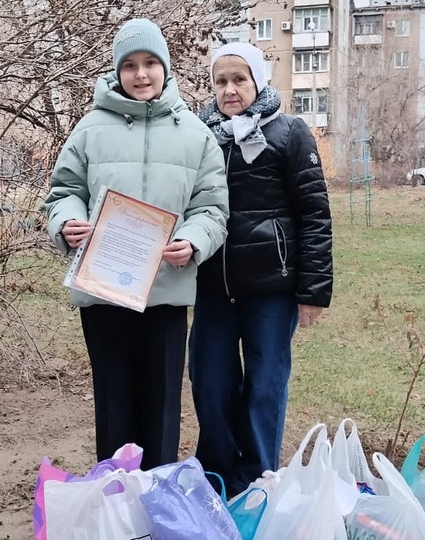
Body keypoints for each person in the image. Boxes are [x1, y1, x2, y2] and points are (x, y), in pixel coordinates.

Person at [42, 19, 229, 470]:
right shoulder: (89, 129)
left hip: (164, 292)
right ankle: (116, 497)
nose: (141, 74)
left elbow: (213, 210)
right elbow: (64, 191)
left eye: (150, 63)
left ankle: (155, 495)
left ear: (165, 67)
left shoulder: (195, 134)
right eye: (130, 65)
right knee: (113, 400)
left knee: (162, 403)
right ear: (116, 71)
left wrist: (193, 241)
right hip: (103, 289)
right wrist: (68, 222)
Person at [190, 42, 333, 497]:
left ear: (258, 81)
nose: (230, 90)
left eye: (239, 79)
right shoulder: (200, 135)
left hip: (271, 291)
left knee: (263, 390)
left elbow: (314, 214)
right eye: (220, 81)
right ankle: (215, 479)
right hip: (212, 288)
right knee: (210, 386)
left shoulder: (289, 132)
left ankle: (255, 484)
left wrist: (312, 292)